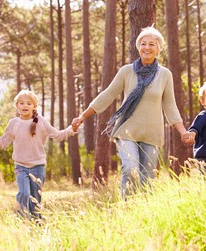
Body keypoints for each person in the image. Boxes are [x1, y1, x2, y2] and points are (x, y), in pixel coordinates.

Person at [72, 25, 189, 198]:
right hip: (127, 131)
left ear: (158, 49)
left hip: (152, 133)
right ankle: (126, 207)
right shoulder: (127, 71)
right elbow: (108, 94)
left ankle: (142, 212)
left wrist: (183, 131)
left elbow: (170, 106)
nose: (147, 47)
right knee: (130, 168)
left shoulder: (165, 75)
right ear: (138, 47)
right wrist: (83, 116)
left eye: (151, 44)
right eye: (143, 43)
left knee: (147, 178)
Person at [0, 90, 78, 220]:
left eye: (29, 103)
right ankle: (24, 219)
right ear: (16, 105)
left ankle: (36, 224)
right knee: (24, 193)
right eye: (22, 103)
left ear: (34, 106)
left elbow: (58, 135)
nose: (25, 106)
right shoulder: (14, 123)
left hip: (38, 166)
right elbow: (2, 143)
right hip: (21, 166)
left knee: (35, 199)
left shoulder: (41, 122)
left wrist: (72, 129)